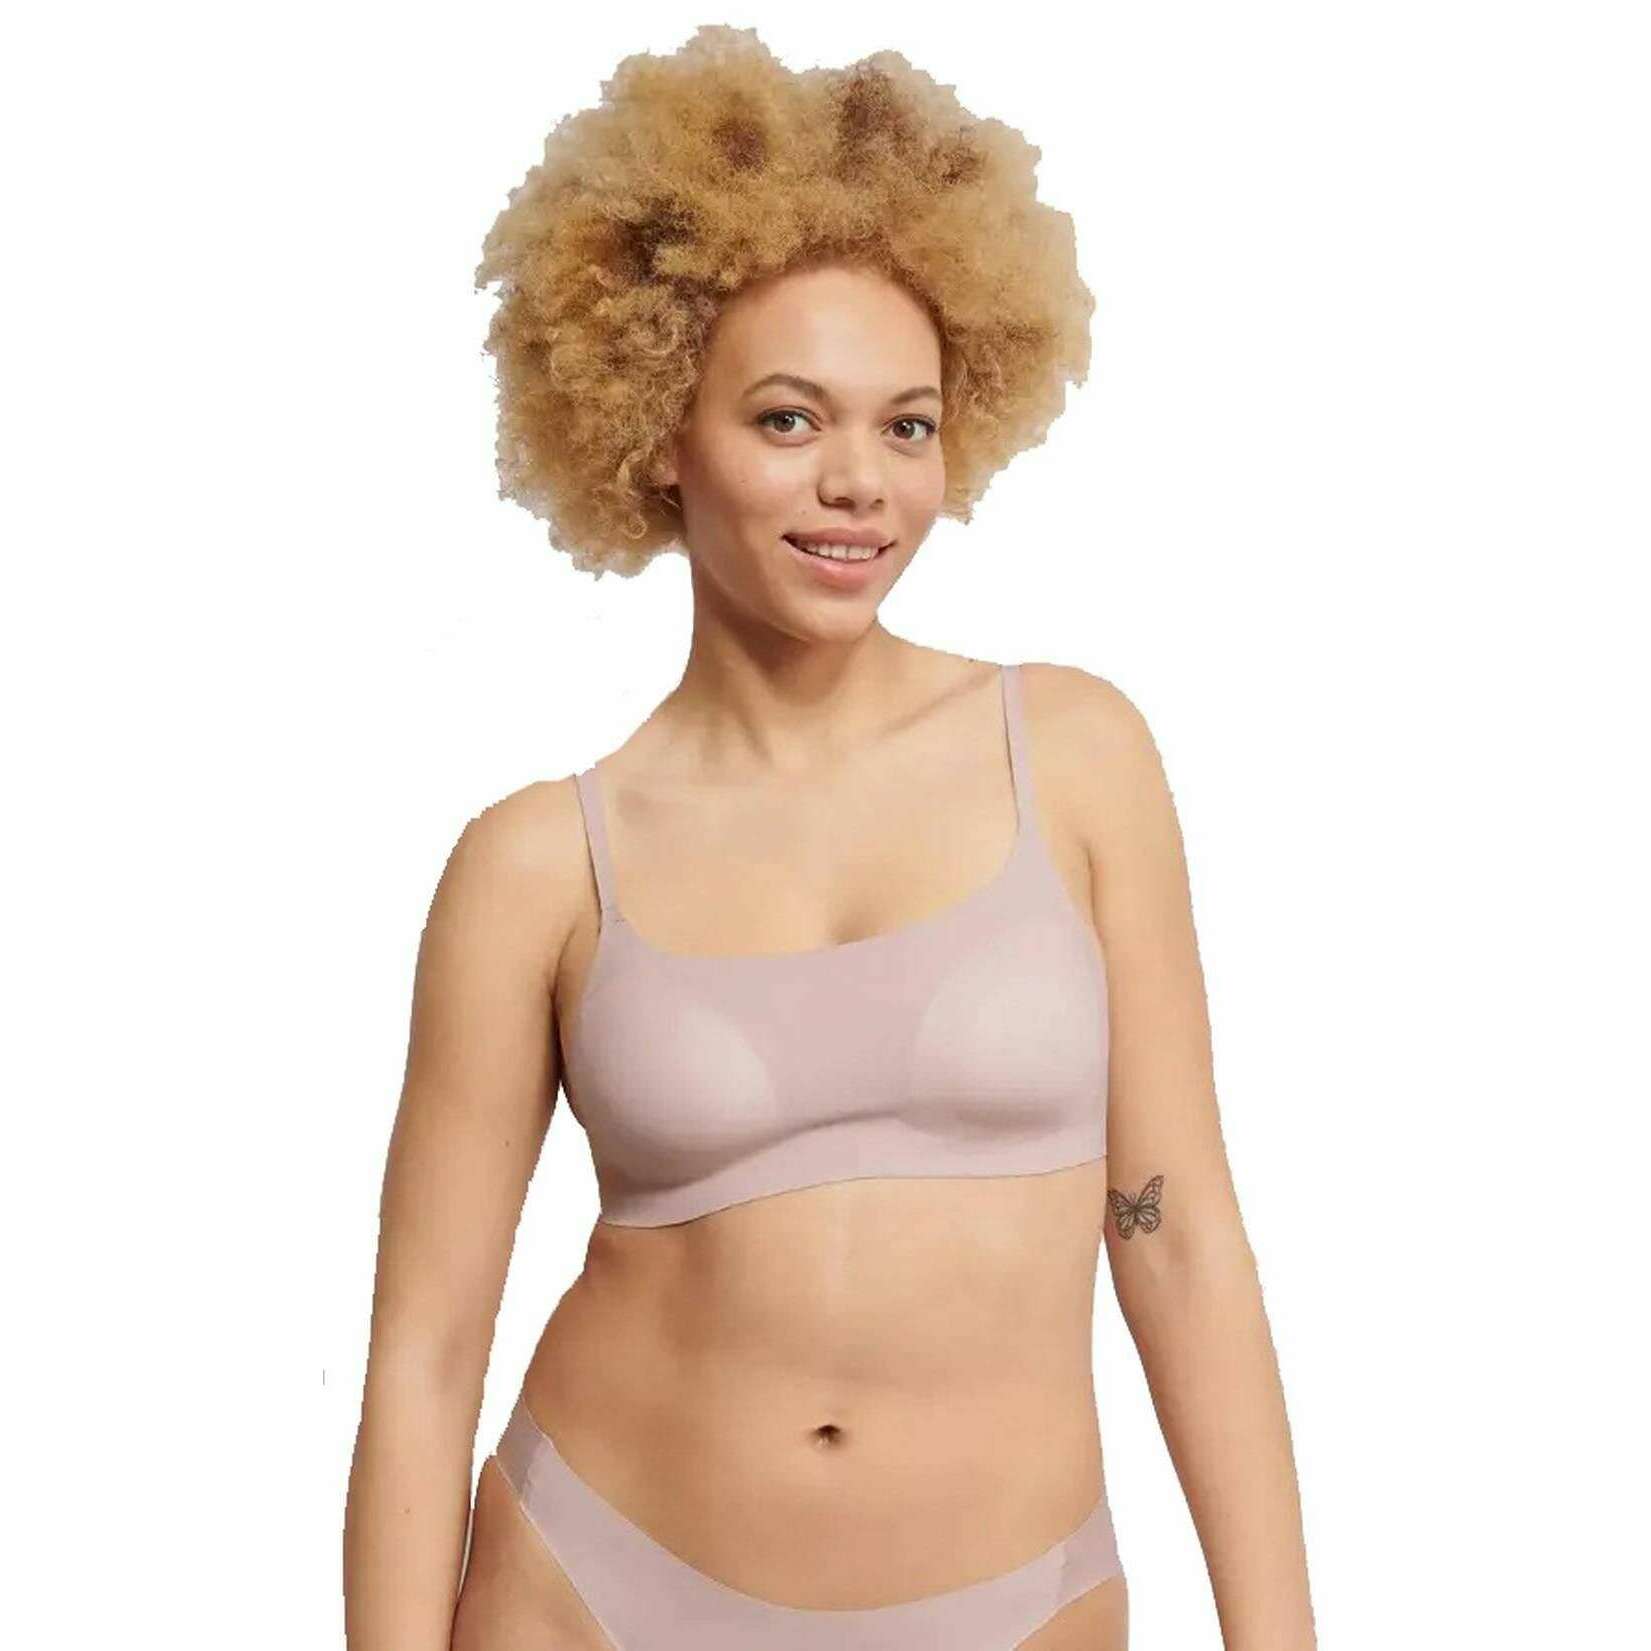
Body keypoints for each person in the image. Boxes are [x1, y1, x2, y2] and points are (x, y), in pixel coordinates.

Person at [343, 25, 1316, 1651]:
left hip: (1017, 1603)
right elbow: (424, 1356)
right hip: (595, 1587)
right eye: (789, 421)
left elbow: (1182, 1244)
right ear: (661, 429)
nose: (860, 484)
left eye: (906, 426)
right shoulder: (537, 867)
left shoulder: (1074, 759)